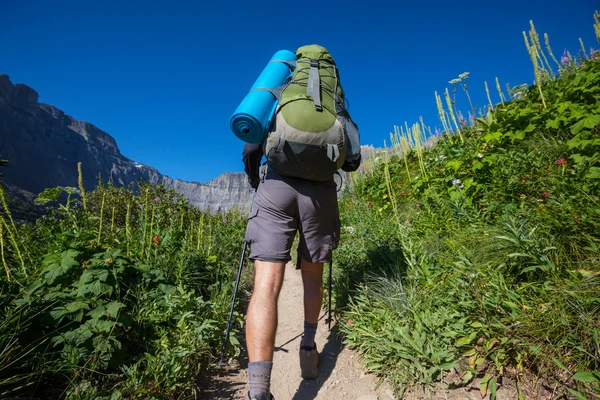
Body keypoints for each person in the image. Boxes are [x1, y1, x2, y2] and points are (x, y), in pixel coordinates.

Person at [241, 44, 361, 400]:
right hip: (321, 195)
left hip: (276, 186)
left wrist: (255, 180)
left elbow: (251, 146)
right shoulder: (334, 97)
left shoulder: (278, 90)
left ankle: (258, 391)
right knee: (312, 274)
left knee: (266, 283)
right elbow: (352, 158)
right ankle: (309, 348)